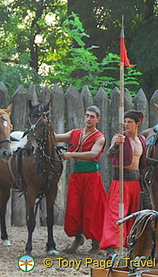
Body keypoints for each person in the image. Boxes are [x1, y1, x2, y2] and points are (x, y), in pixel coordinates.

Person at [99, 110, 158, 256]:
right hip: (121, 182)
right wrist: (117, 145)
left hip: (136, 182)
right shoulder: (119, 138)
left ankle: (132, 243)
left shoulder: (141, 140)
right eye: (125, 121)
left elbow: (143, 160)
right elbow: (109, 155)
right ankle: (112, 247)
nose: (126, 124)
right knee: (116, 214)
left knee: (136, 213)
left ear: (137, 124)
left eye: (130, 122)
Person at [55, 106, 106, 254]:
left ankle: (96, 244)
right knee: (73, 208)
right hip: (76, 176)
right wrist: (41, 127)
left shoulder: (100, 137)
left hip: (91, 178)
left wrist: (71, 155)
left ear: (98, 119)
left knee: (93, 210)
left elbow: (93, 154)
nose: (89, 119)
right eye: (87, 115)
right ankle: (78, 239)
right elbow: (56, 137)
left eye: (92, 116)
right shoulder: (75, 133)